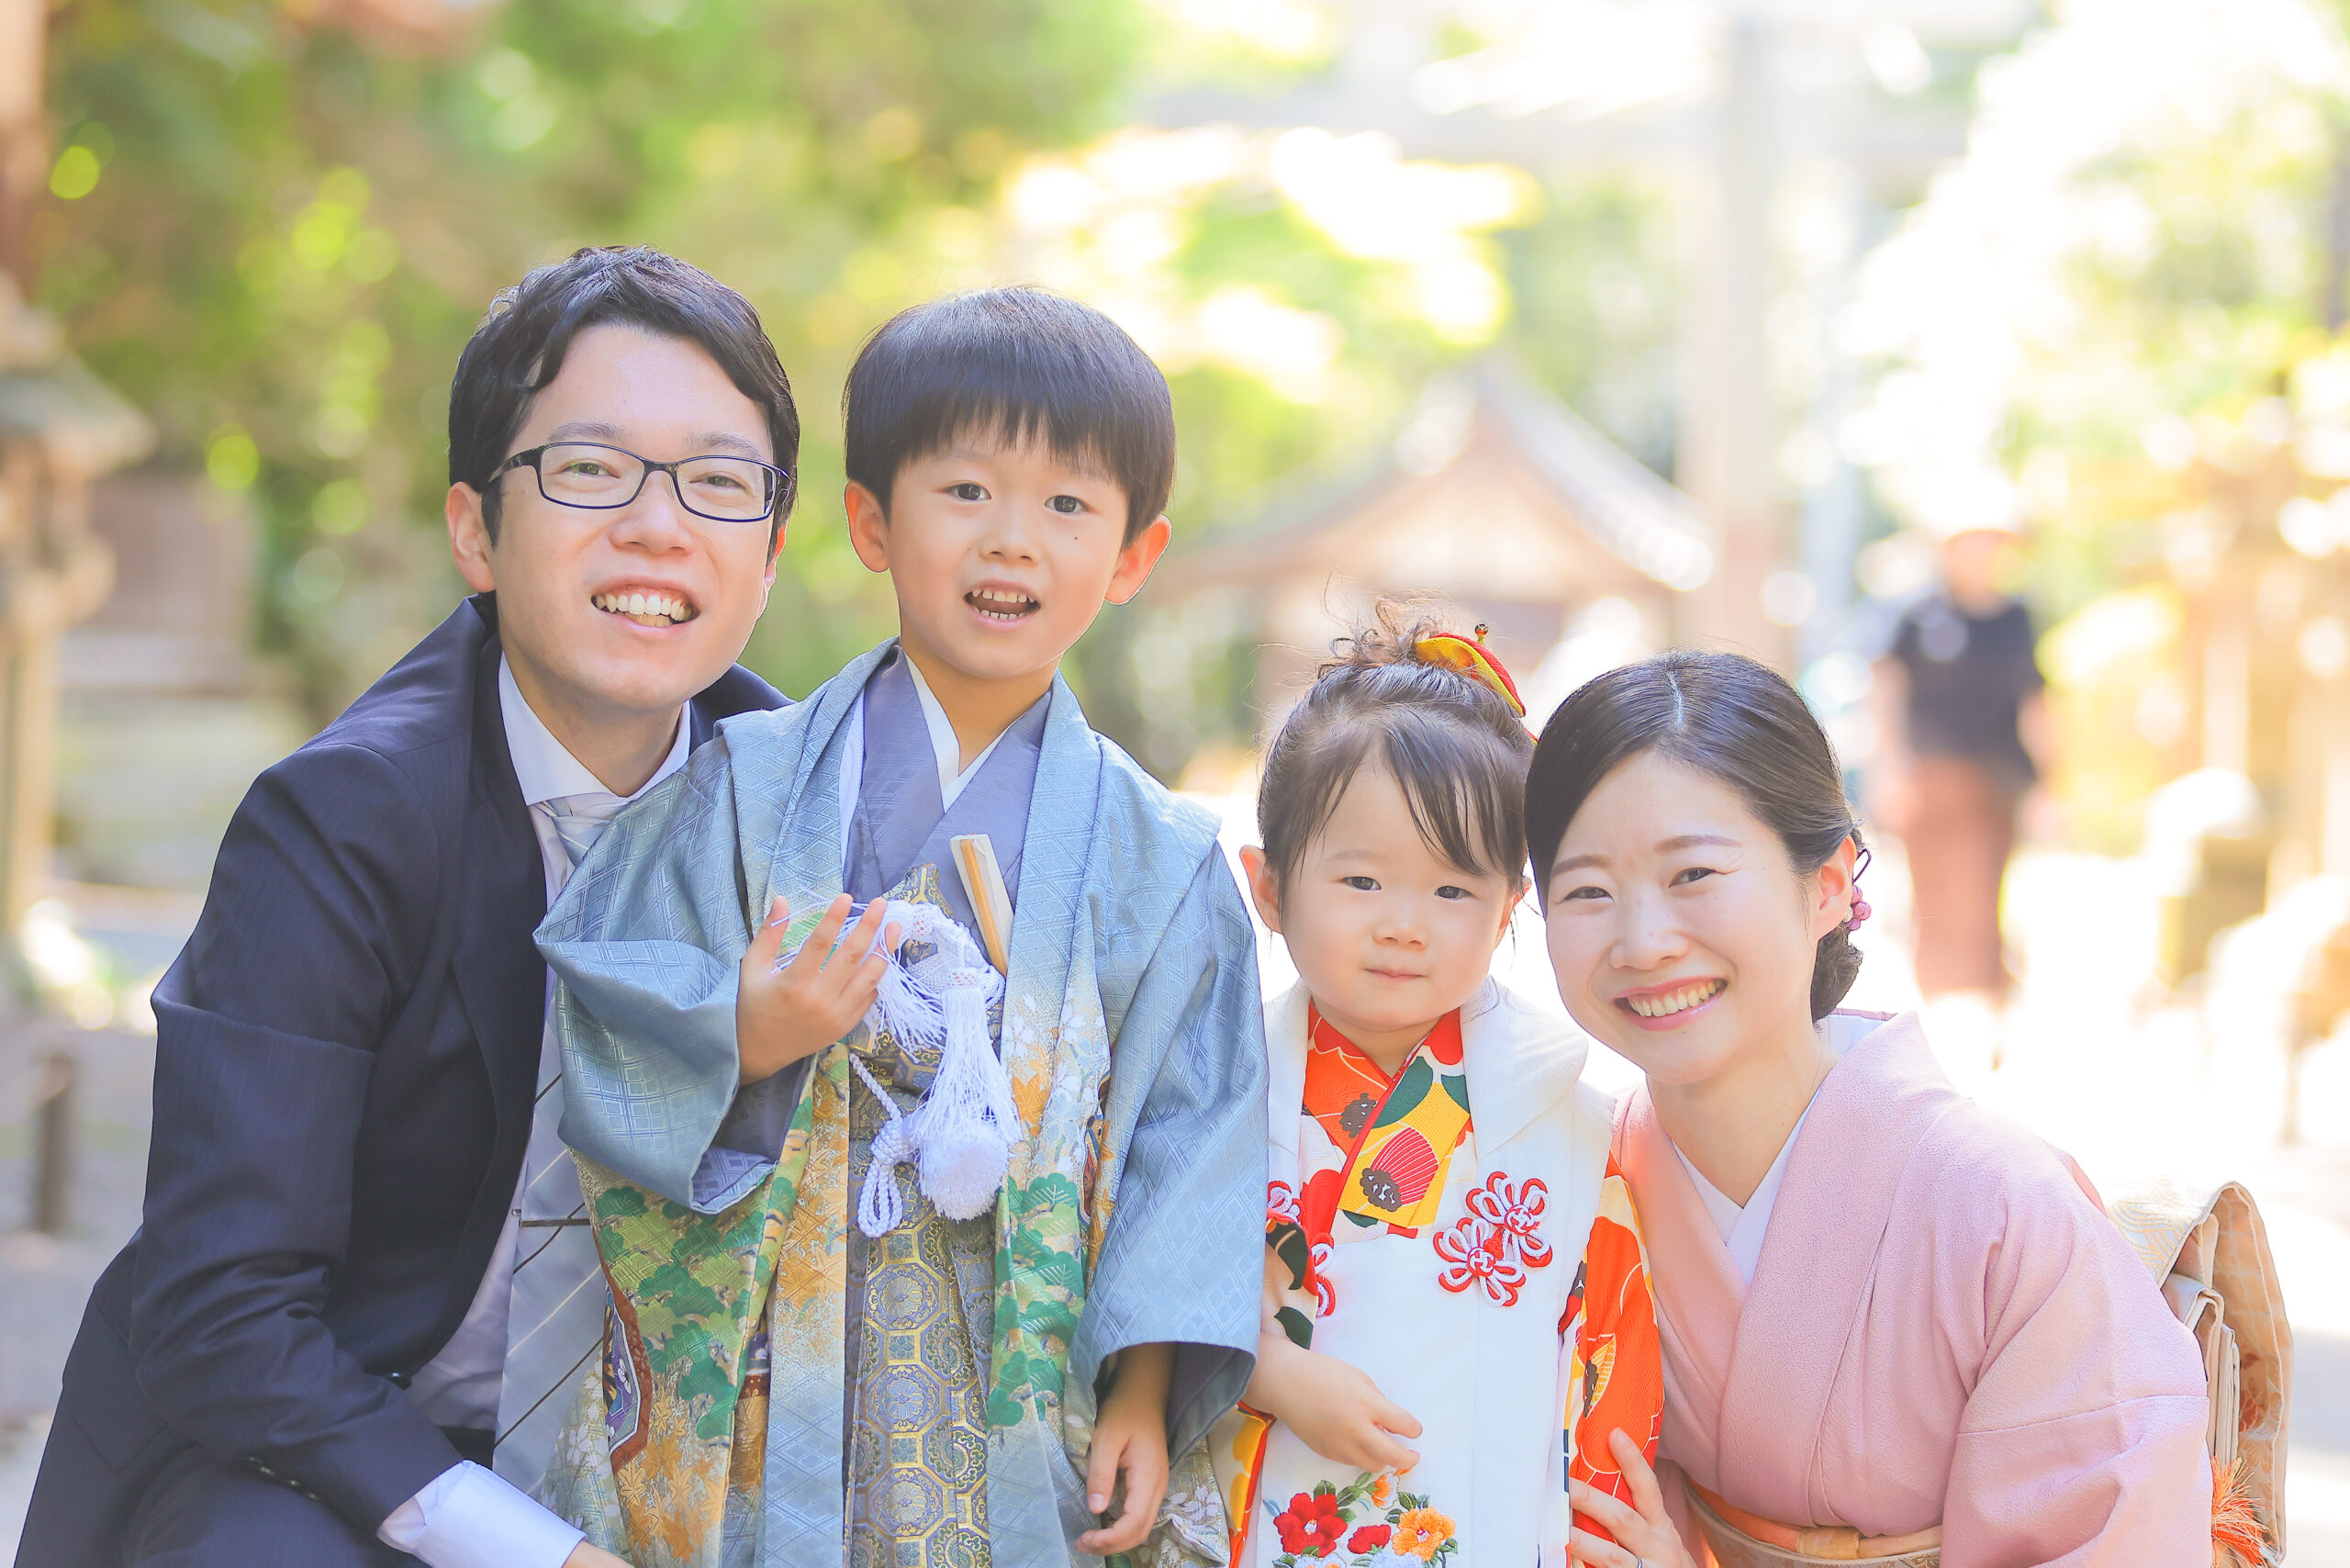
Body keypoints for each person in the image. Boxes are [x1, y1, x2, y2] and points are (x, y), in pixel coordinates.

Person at [18, 245, 797, 1568]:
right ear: (474, 531)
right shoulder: (340, 823)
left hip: (664, 1471)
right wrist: (528, 1551)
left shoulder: (809, 820)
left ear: (771, 555)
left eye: (716, 484)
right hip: (308, 1457)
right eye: (592, 471)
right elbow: (224, 1311)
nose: (659, 527)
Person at [531, 287, 1267, 1568]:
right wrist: (744, 1033)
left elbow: (1189, 1137)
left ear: (1134, 558)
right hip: (781, 1362)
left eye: (1068, 506)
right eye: (967, 492)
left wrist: (1145, 1382)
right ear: (872, 522)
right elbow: (614, 994)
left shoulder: (1165, 859)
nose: (1014, 544)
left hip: (1023, 1380)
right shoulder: (742, 787)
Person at [1524, 650, 2212, 1568]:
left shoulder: (2001, 1207)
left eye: (1692, 875)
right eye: (1587, 891)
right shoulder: (1565, 1178)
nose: (1644, 941)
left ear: (1830, 883)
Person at [1208, 607, 1663, 1568]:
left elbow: (1608, 1356)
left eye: (1452, 890)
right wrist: (1273, 1373)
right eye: (1363, 881)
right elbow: (1140, 1289)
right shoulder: (1211, 1090)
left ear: (1507, 910)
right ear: (1269, 887)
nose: (1405, 925)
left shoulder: (1575, 1117)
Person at [1870, 521, 2053, 1001]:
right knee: (1929, 895)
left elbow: (2035, 703)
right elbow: (1887, 691)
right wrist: (1890, 770)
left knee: (1987, 896)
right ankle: (1926, 1001)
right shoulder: (1918, 618)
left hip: (1996, 782)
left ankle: (1993, 1001)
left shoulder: (2016, 620)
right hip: (1930, 781)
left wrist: (2050, 786)